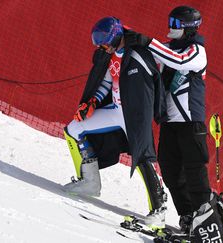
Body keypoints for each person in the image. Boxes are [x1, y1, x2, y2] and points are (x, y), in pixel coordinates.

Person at [62, 16, 168, 228]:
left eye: (104, 42)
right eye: (99, 43)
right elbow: (106, 83)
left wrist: (153, 112)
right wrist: (92, 102)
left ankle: (159, 211)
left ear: (116, 37)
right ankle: (90, 182)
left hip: (134, 116)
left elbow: (156, 78)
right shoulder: (111, 56)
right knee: (74, 129)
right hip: (116, 111)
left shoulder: (137, 53)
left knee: (142, 157)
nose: (102, 47)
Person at [146, 6, 211, 233]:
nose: (170, 28)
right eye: (169, 22)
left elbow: (180, 61)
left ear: (188, 28)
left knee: (194, 171)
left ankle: (206, 221)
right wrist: (128, 39)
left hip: (190, 123)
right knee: (171, 170)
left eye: (175, 24)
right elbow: (153, 53)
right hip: (170, 123)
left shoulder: (196, 51)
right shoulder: (167, 48)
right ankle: (187, 217)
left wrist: (148, 42)